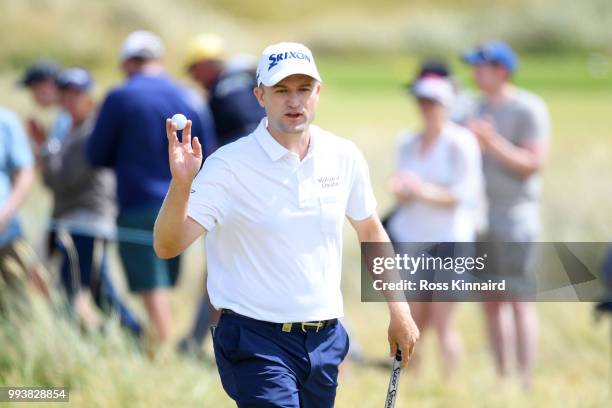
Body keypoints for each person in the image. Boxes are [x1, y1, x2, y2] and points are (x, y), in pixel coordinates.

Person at [154, 42, 419, 406]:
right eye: (281, 90)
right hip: (254, 340)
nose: (294, 101)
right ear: (260, 95)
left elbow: (371, 232)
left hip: (324, 340)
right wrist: (181, 186)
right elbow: (168, 245)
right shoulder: (228, 165)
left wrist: (399, 310)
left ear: (318, 93)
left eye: (303, 89)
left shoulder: (343, 156)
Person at [87, 31, 215, 345]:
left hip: (137, 202)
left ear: (129, 63)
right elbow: (209, 151)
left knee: (150, 284)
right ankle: (164, 341)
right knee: (164, 281)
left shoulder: (120, 97)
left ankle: (161, 352)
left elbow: (96, 154)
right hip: (183, 202)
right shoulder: (188, 96)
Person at [463, 41, 550, 388]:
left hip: (515, 218)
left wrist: (491, 141)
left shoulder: (528, 109)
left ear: (501, 70)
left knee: (518, 299)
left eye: (480, 66)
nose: (474, 73)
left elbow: (532, 164)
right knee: (491, 301)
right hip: (481, 219)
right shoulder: (472, 108)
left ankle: (526, 379)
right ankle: (503, 377)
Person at [387, 65, 483, 379]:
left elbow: (464, 194)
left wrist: (420, 191)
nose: (425, 108)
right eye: (421, 102)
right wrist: (402, 191)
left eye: (431, 102)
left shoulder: (461, 142)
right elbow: (403, 185)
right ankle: (413, 383)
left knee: (444, 321)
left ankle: (449, 386)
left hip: (449, 241)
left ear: (446, 105)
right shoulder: (407, 142)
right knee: (413, 319)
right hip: (414, 239)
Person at [36, 67, 141, 335]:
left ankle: (133, 334)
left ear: (88, 97)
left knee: (88, 289)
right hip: (74, 221)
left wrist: (44, 149)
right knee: (85, 288)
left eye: (76, 94)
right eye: (65, 95)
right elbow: (54, 179)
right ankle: (123, 335)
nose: (70, 101)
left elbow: (62, 178)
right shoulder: (70, 130)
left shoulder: (92, 130)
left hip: (89, 221)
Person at [0, 106, 48, 308]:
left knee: (23, 303)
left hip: (6, 235)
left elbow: (25, 172)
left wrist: (5, 212)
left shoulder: (5, 121)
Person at [184, 33, 265, 145]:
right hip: (268, 137)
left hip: (239, 145)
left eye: (194, 69)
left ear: (205, 65)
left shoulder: (215, 92)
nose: (194, 76)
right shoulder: (248, 73)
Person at [18, 59, 72, 147]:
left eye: (34, 89)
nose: (33, 97)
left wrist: (41, 142)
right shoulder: (65, 114)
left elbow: (61, 156)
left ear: (48, 85)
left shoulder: (69, 116)